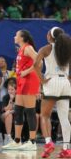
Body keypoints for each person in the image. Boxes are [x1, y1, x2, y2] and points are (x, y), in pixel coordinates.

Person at [34, 27, 71, 158]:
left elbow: (35, 65)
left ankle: (49, 142)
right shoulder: (68, 49)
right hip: (65, 83)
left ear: (50, 36)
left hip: (52, 81)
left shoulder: (46, 49)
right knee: (64, 118)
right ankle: (67, 149)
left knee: (44, 115)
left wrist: (42, 80)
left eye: (48, 32)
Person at [3, 30, 39, 151]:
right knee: (18, 110)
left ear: (22, 37)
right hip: (21, 81)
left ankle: (32, 142)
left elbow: (39, 61)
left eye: (16, 35)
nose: (14, 37)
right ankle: (17, 141)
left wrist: (27, 71)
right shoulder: (21, 49)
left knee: (30, 111)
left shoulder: (28, 48)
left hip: (29, 80)